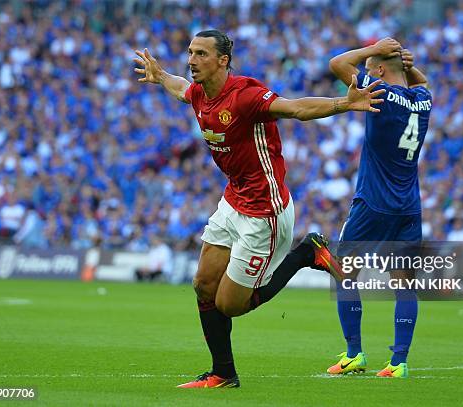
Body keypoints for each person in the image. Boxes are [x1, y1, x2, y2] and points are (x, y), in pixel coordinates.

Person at [133, 29, 385, 388]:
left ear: (223, 60)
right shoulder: (199, 93)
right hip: (233, 200)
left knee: (230, 305)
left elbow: (295, 108)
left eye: (201, 54)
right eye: (190, 52)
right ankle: (223, 374)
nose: (191, 60)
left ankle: (306, 253)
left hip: (264, 212)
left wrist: (344, 103)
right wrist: (160, 77)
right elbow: (179, 90)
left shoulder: (246, 96)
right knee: (203, 285)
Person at [327, 37, 432, 378]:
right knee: (405, 283)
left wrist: (373, 51)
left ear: (380, 70)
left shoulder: (380, 93)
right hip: (408, 206)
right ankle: (399, 362)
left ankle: (355, 353)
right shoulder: (424, 99)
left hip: (373, 202)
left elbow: (337, 63)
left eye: (371, 68)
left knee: (344, 273)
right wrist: (405, 61)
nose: (365, 73)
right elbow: (421, 80)